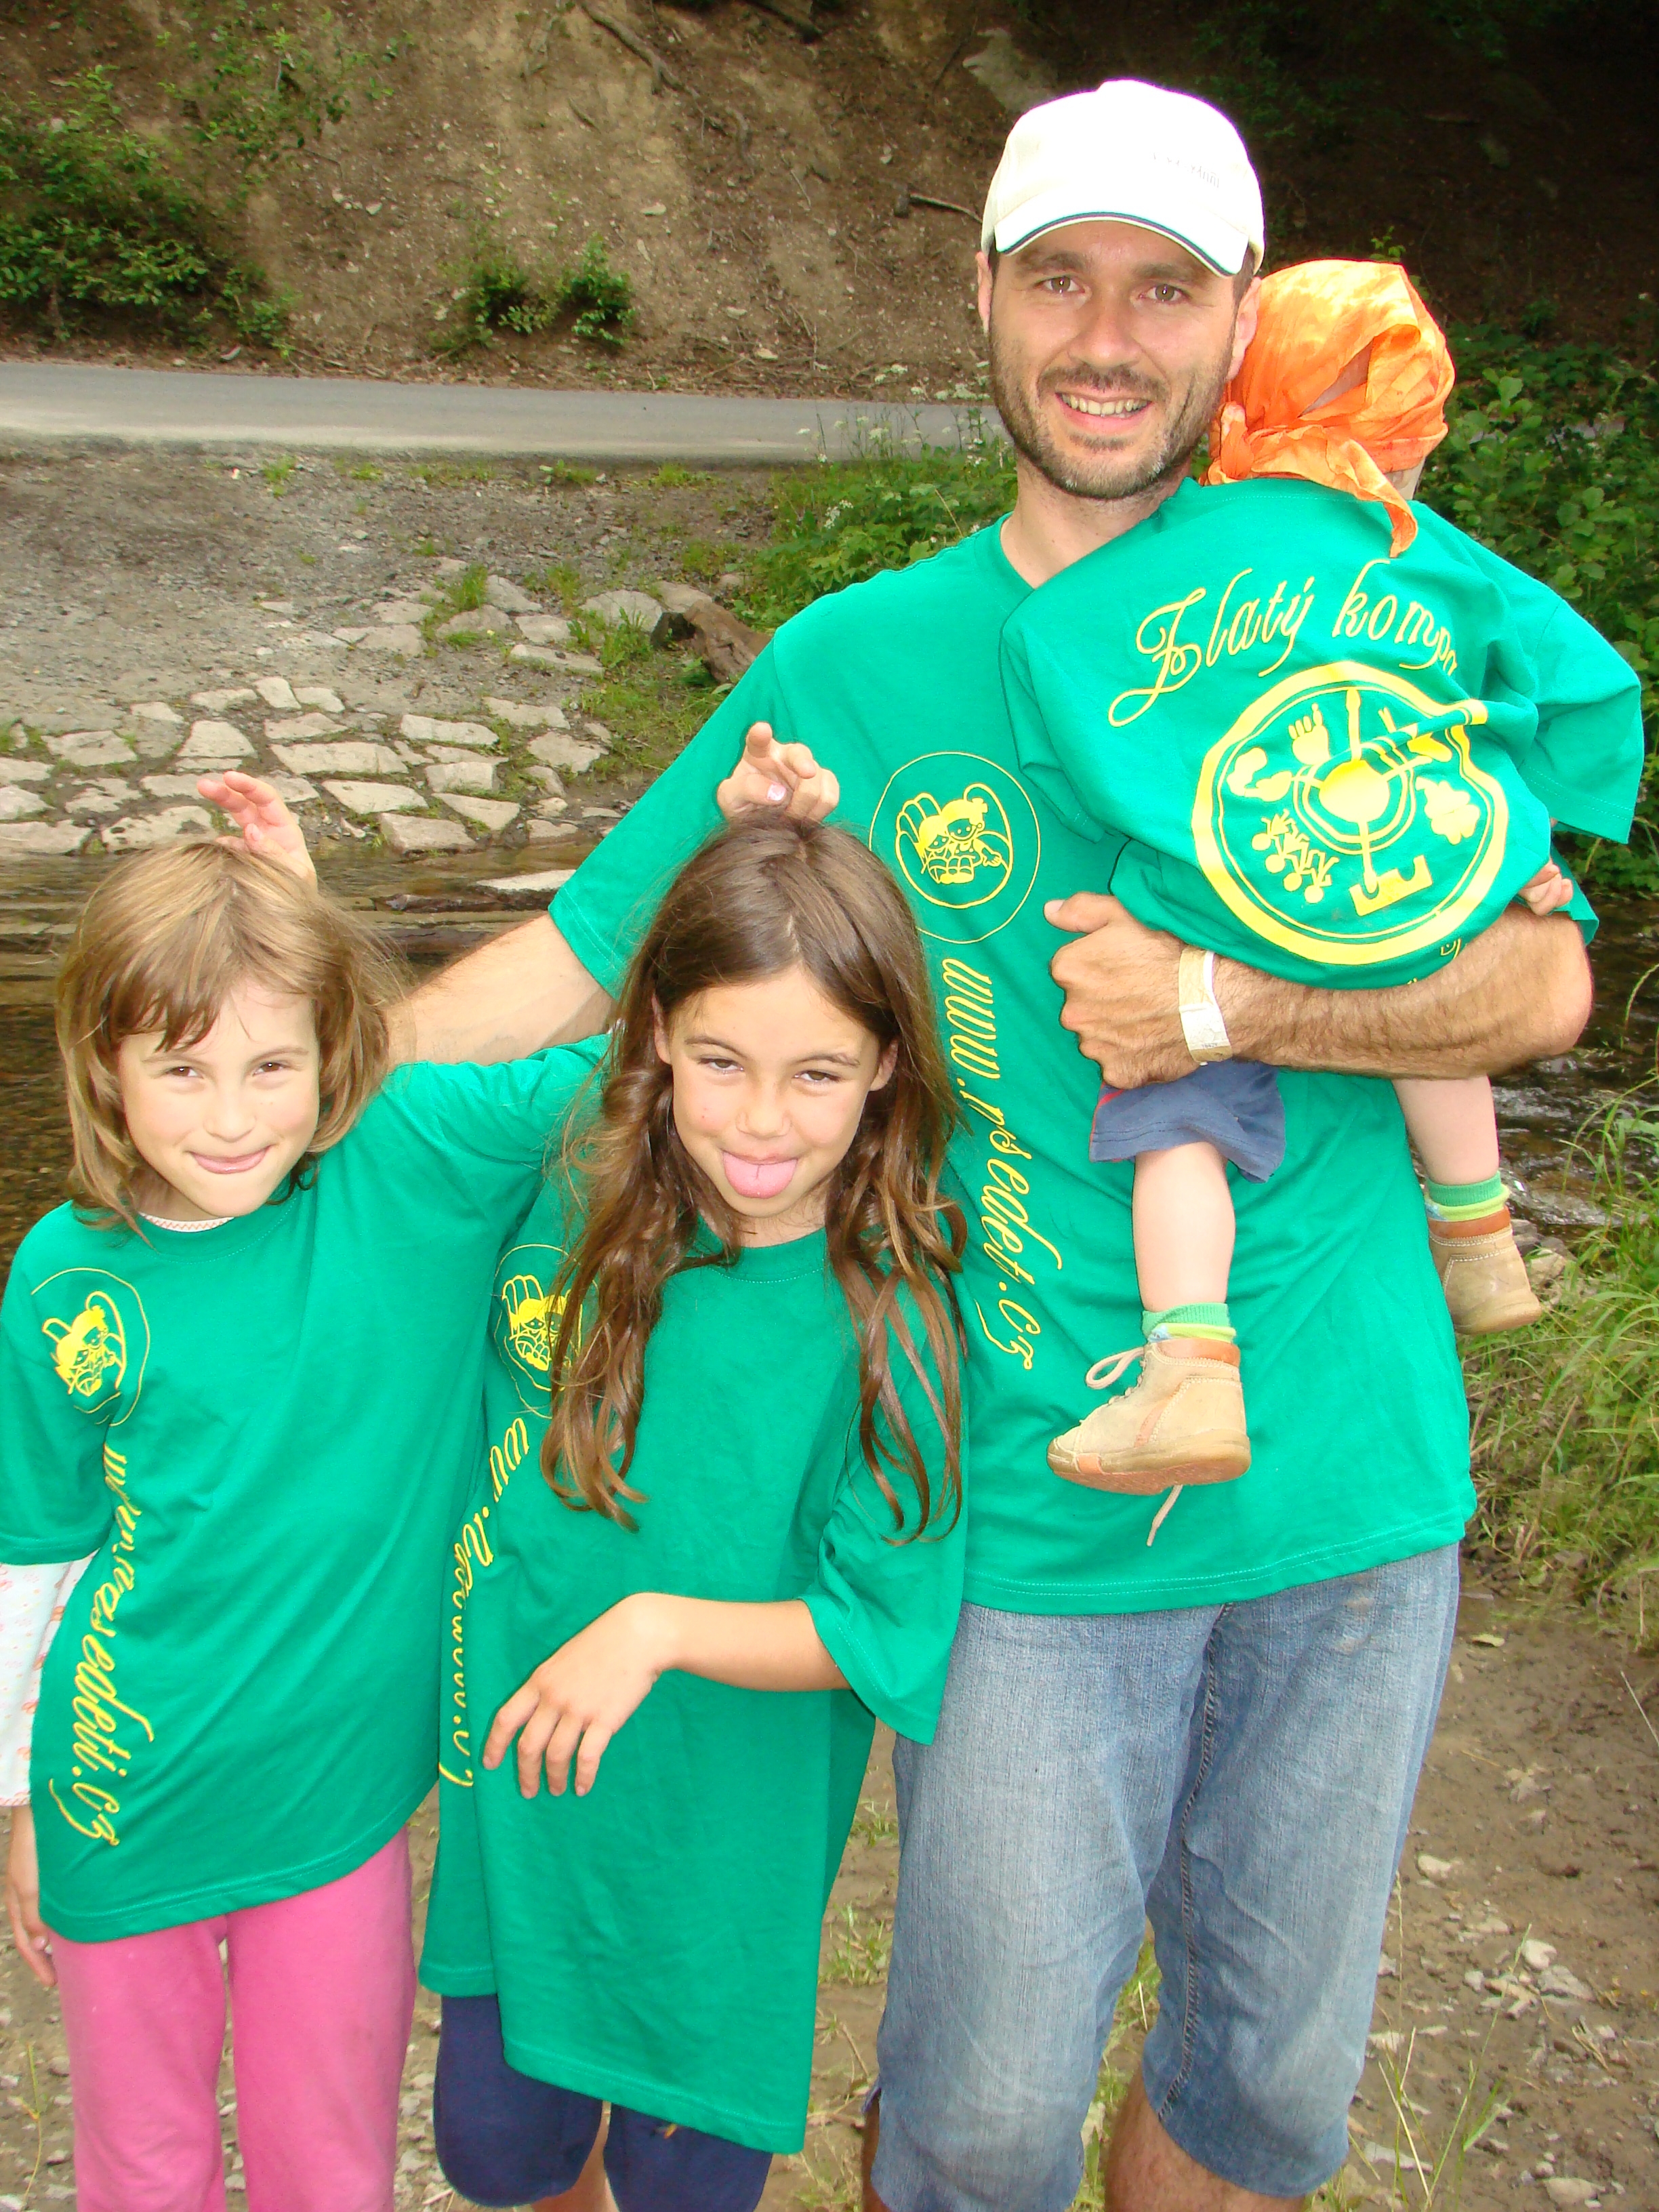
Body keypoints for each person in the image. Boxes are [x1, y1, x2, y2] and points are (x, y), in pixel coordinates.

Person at [389, 79, 1624, 2212]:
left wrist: (1229, 1007)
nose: (1106, 338)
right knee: (974, 2122)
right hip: (1021, 1519)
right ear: (981, 297)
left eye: (1166, 289)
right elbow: (579, 969)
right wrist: (255, 1117)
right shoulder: (851, 667)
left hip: (1352, 1489)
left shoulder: (1361, 613)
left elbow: (1541, 987)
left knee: (1261, 2092)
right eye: (1059, 279)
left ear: (1244, 322)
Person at [0, 825, 606, 2212]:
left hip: (337, 1811)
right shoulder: (64, 1274)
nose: (231, 1117)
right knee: (141, 2169)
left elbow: (661, 1051)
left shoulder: (410, 1164)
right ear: (103, 1066)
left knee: (330, 2167)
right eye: (182, 1070)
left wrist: (753, 831)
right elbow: (29, 1558)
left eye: (273, 1066)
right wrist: (18, 1803)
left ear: (340, 1053)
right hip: (117, 1792)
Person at [988, 257, 1640, 1502]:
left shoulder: (1178, 547)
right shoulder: (1429, 550)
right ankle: (1481, 1237)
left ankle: (1190, 1370)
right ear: (1411, 435)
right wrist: (1528, 835)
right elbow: (1587, 681)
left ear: (1242, 396)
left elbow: (1047, 642)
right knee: (1432, 976)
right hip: (1396, 858)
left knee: (1174, 1105)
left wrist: (1108, 804)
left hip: (1231, 893)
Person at [417, 814, 966, 2212]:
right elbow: (340, 1098)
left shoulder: (891, 1317)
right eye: (720, 1061)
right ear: (655, 1031)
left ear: (886, 1065)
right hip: (525, 1819)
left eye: (817, 1073)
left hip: (719, 1860)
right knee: (496, 2154)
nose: (762, 1121)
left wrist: (655, 1628)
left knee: (684, 2191)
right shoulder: (568, 1172)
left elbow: (880, 1628)